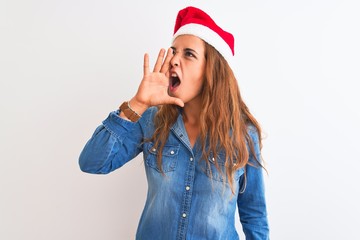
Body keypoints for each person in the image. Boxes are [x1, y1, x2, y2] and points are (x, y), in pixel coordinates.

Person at [79, 6, 269, 240]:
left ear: (212, 70)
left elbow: (254, 216)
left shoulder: (243, 134)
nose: (174, 60)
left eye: (188, 54)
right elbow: (92, 162)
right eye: (173, 52)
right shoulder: (151, 120)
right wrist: (138, 103)